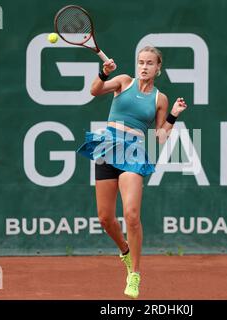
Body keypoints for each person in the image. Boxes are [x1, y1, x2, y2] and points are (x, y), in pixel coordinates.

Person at [77, 46, 187, 299]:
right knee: (105, 218)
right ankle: (124, 250)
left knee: (132, 215)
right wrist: (104, 74)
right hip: (107, 147)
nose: (144, 66)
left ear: (158, 68)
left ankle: (134, 274)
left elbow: (159, 138)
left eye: (150, 63)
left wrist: (173, 116)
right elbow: (94, 91)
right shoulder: (124, 81)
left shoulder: (160, 98)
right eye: (141, 62)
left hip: (133, 153)